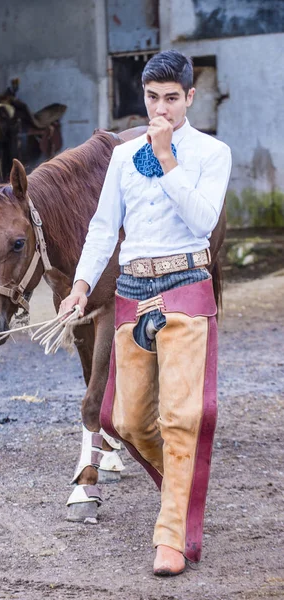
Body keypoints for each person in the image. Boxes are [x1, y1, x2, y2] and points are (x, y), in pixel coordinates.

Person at [60, 50, 232, 576]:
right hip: (132, 290)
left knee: (182, 418)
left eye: (172, 99)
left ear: (190, 98)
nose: (161, 109)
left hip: (187, 284)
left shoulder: (212, 152)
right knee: (127, 420)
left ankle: (171, 535)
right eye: (153, 98)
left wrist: (169, 157)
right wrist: (82, 286)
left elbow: (202, 221)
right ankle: (184, 495)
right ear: (144, 95)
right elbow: (101, 226)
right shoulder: (121, 156)